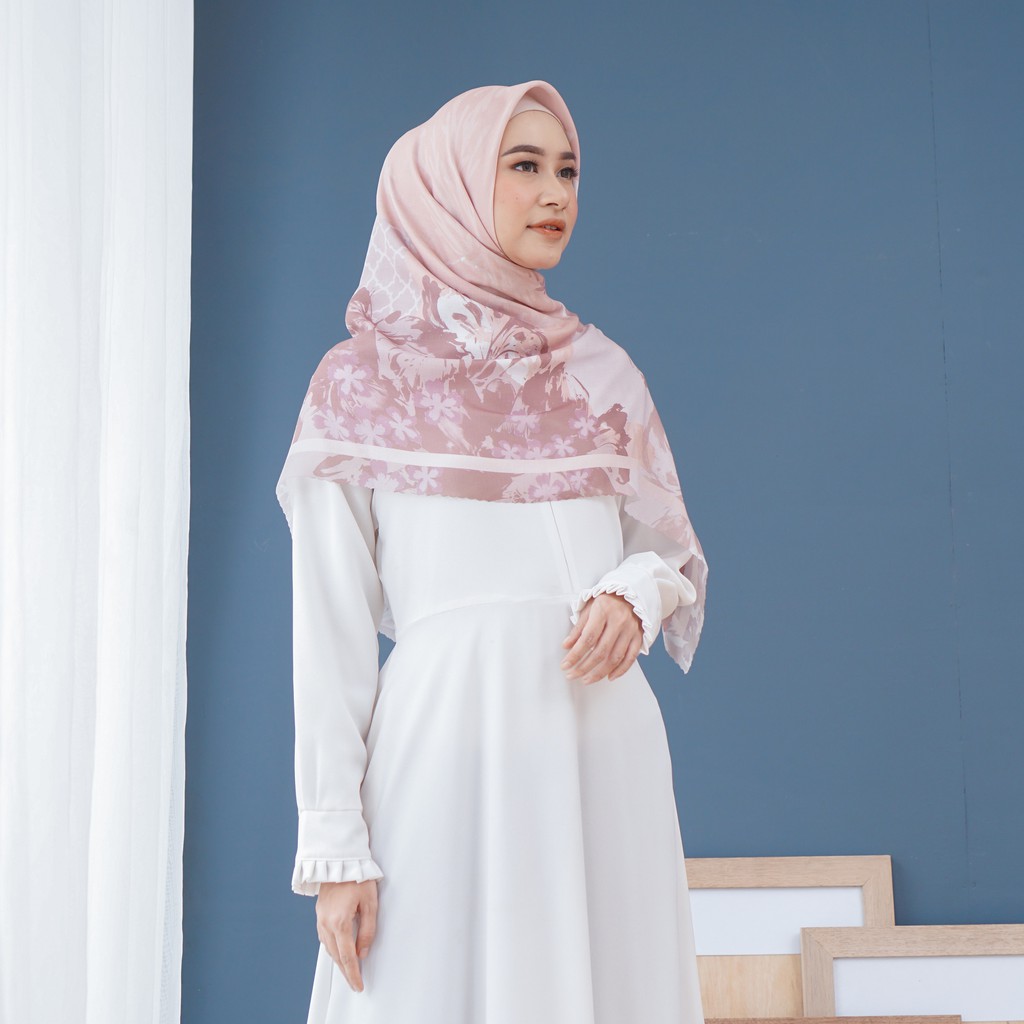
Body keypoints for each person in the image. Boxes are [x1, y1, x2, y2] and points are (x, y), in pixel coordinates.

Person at [275, 80, 709, 1024]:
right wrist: (337, 847)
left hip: (601, 753)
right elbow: (329, 629)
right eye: (523, 166)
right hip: (443, 756)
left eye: (568, 171)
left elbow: (667, 559)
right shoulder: (359, 387)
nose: (555, 193)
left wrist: (634, 595)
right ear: (454, 184)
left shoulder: (602, 376)